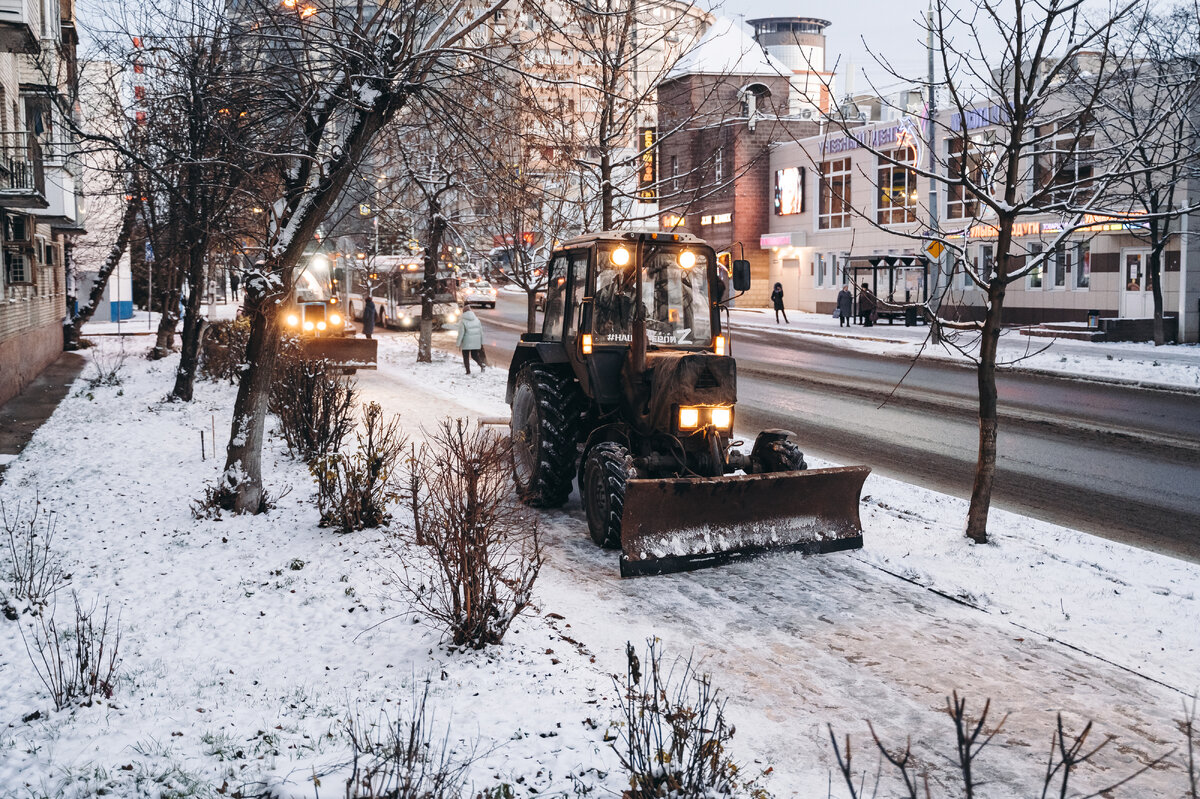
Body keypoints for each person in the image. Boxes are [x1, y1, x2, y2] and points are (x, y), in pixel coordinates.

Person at [456, 306, 487, 373]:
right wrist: (481, 342)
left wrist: (458, 343)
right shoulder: (477, 320)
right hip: (476, 341)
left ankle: (468, 371)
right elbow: (481, 332)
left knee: (466, 357)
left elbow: (461, 333)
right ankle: (481, 365)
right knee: (474, 355)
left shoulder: (462, 321)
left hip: (466, 342)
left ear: (463, 312)